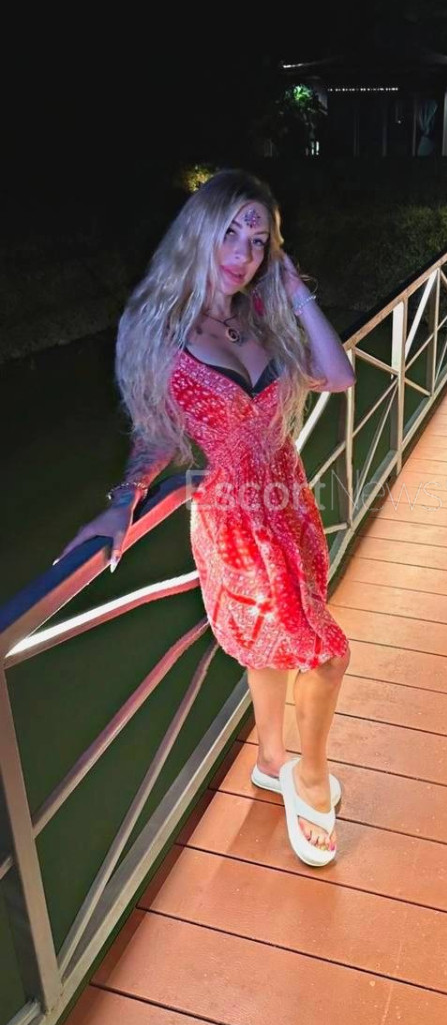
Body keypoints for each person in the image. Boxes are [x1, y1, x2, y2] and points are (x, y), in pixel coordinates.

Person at [57, 169, 356, 868]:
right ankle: (310, 780)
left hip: (288, 501)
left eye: (259, 240)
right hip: (235, 523)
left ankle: (271, 760)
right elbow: (157, 435)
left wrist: (293, 288)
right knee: (326, 653)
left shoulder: (261, 314)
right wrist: (124, 500)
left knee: (274, 644)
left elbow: (339, 376)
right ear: (197, 231)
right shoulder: (160, 329)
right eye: (230, 232)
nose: (243, 252)